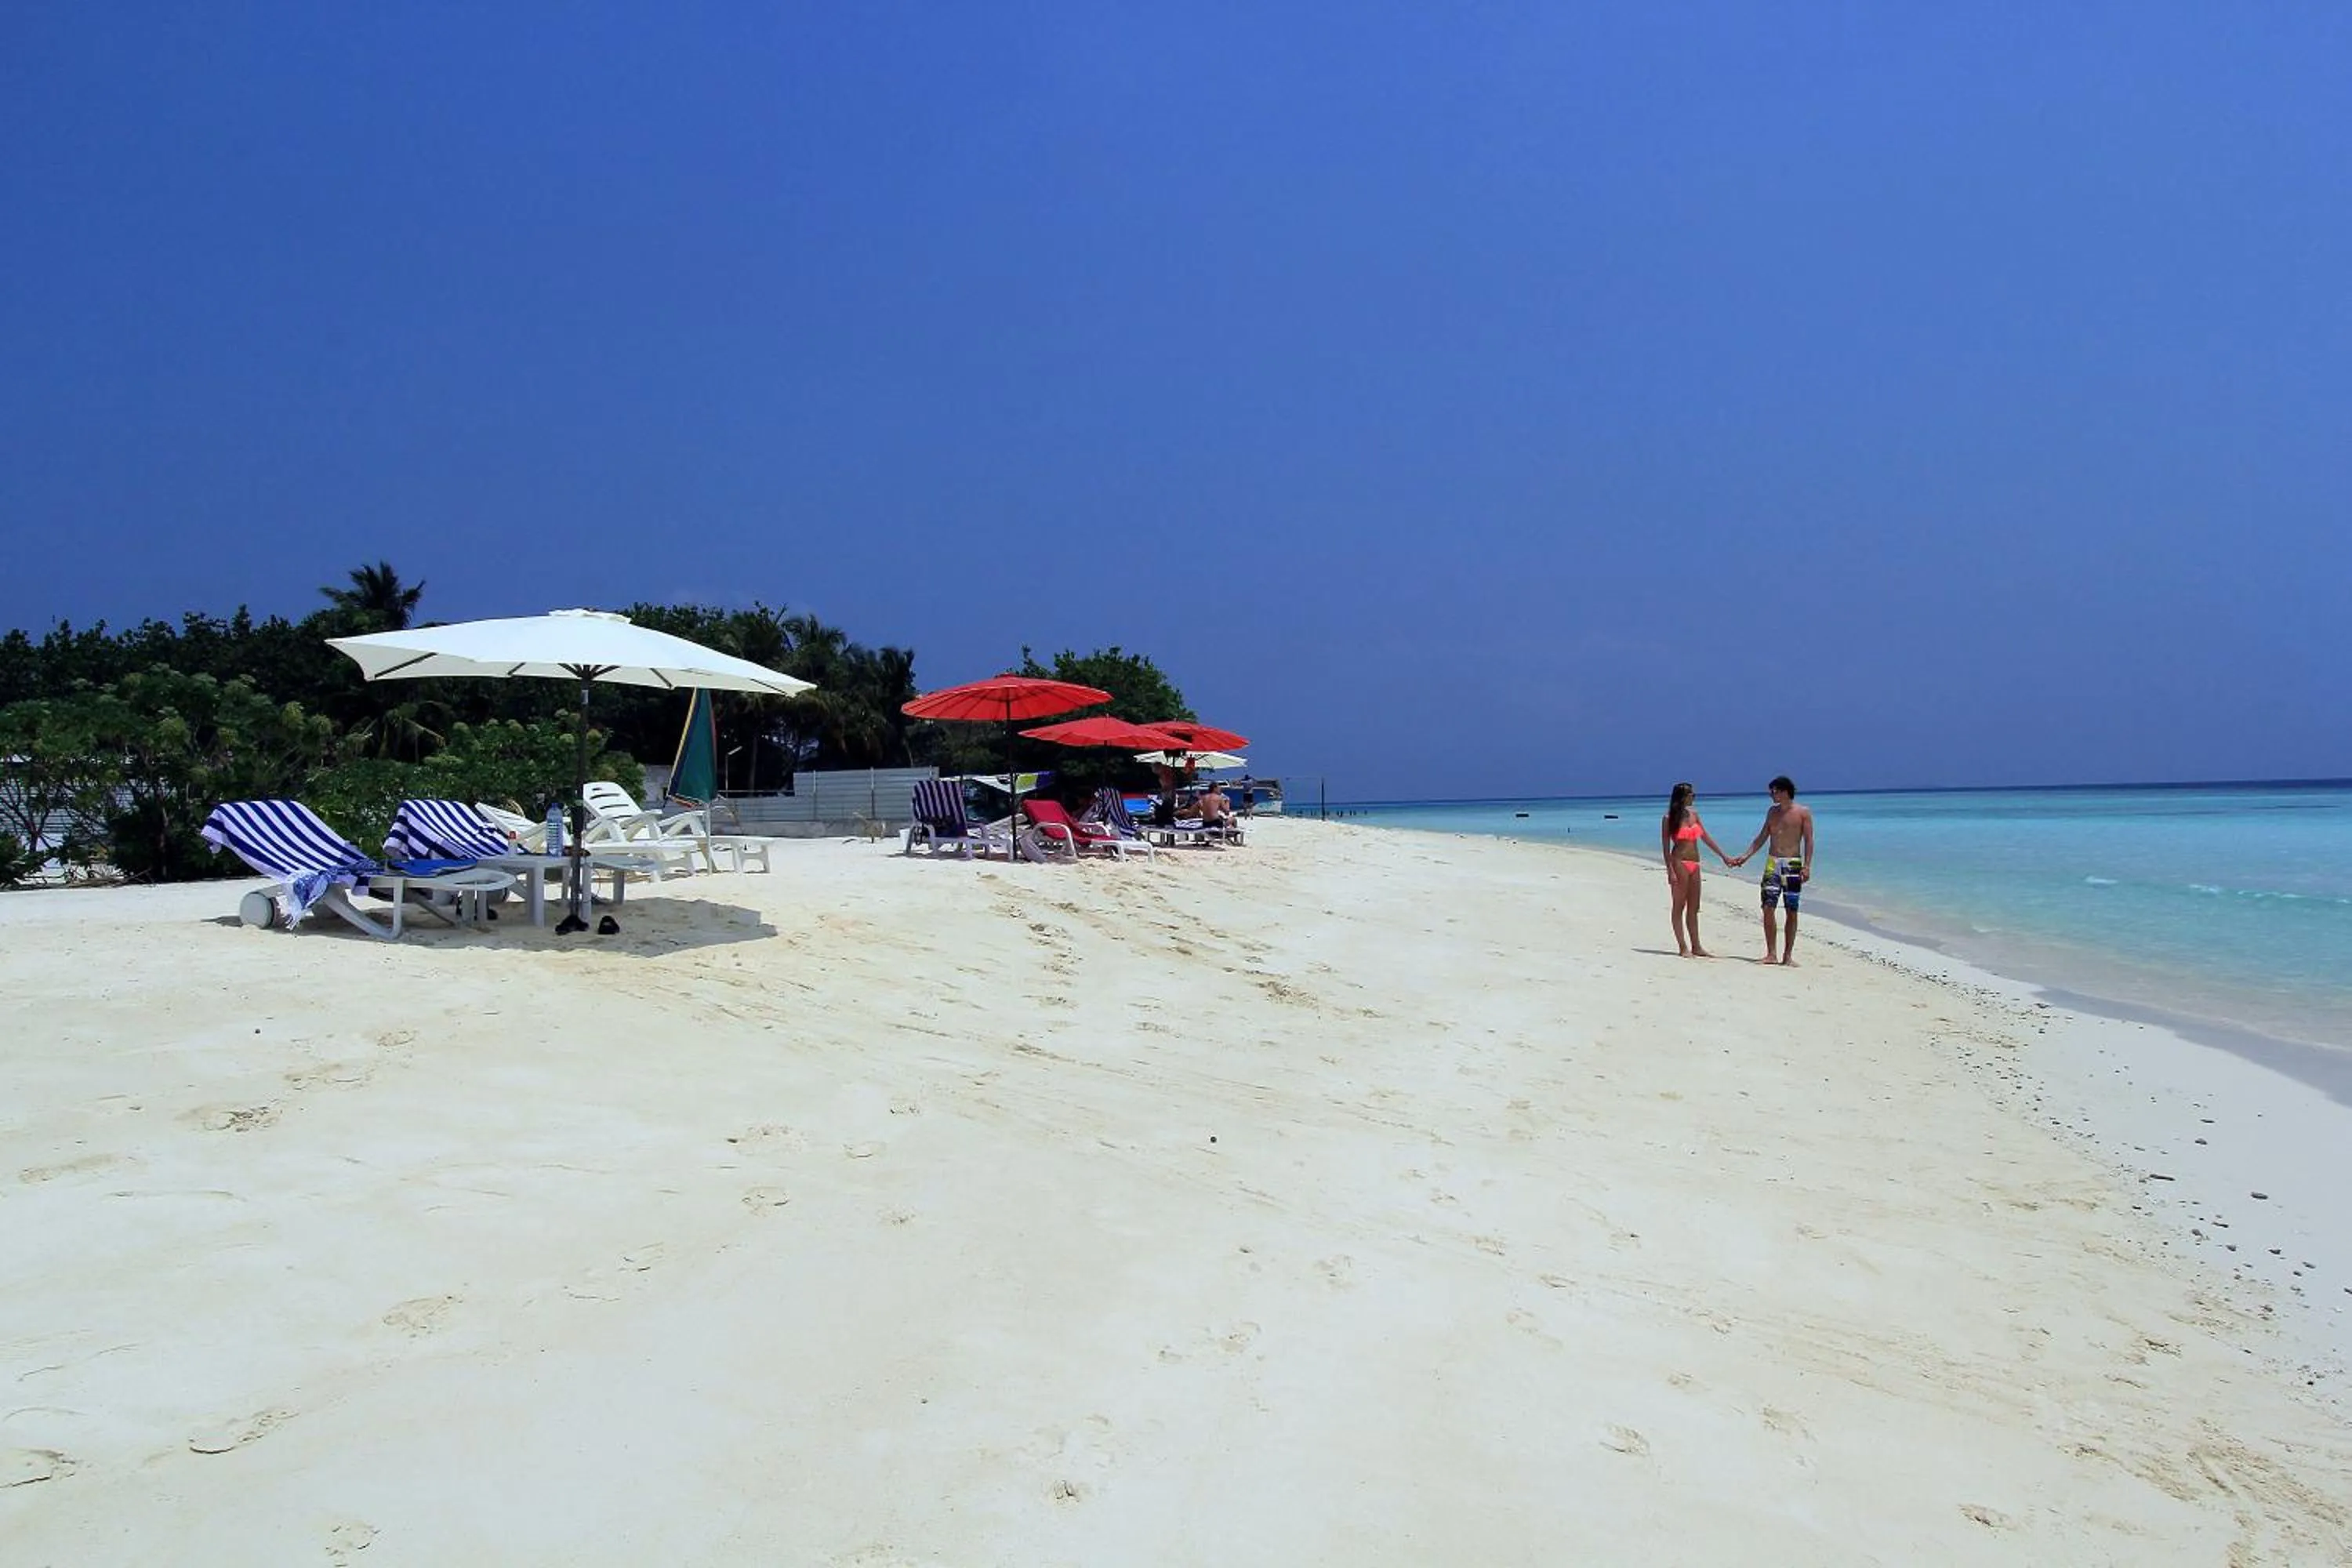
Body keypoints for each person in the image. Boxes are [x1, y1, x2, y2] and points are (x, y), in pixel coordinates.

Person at [1730, 776, 1817, 966]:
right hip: (1772, 863)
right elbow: (1762, 837)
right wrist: (1745, 856)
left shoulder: (1803, 812)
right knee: (1768, 907)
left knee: (1791, 910)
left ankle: (1787, 956)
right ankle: (1771, 953)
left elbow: (1809, 841)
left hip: (1793, 864)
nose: (1771, 795)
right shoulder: (1772, 812)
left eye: (1774, 791)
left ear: (1785, 792)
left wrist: (1807, 866)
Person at [1660, 782, 1733, 957]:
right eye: (1691, 794)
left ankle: (1696, 946)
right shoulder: (1669, 818)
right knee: (1679, 906)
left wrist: (1724, 856)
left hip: (1695, 863)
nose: (1694, 797)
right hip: (1679, 863)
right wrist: (1670, 870)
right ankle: (1682, 947)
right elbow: (1665, 846)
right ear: (1682, 797)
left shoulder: (1694, 815)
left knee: (1694, 906)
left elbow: (1706, 837)